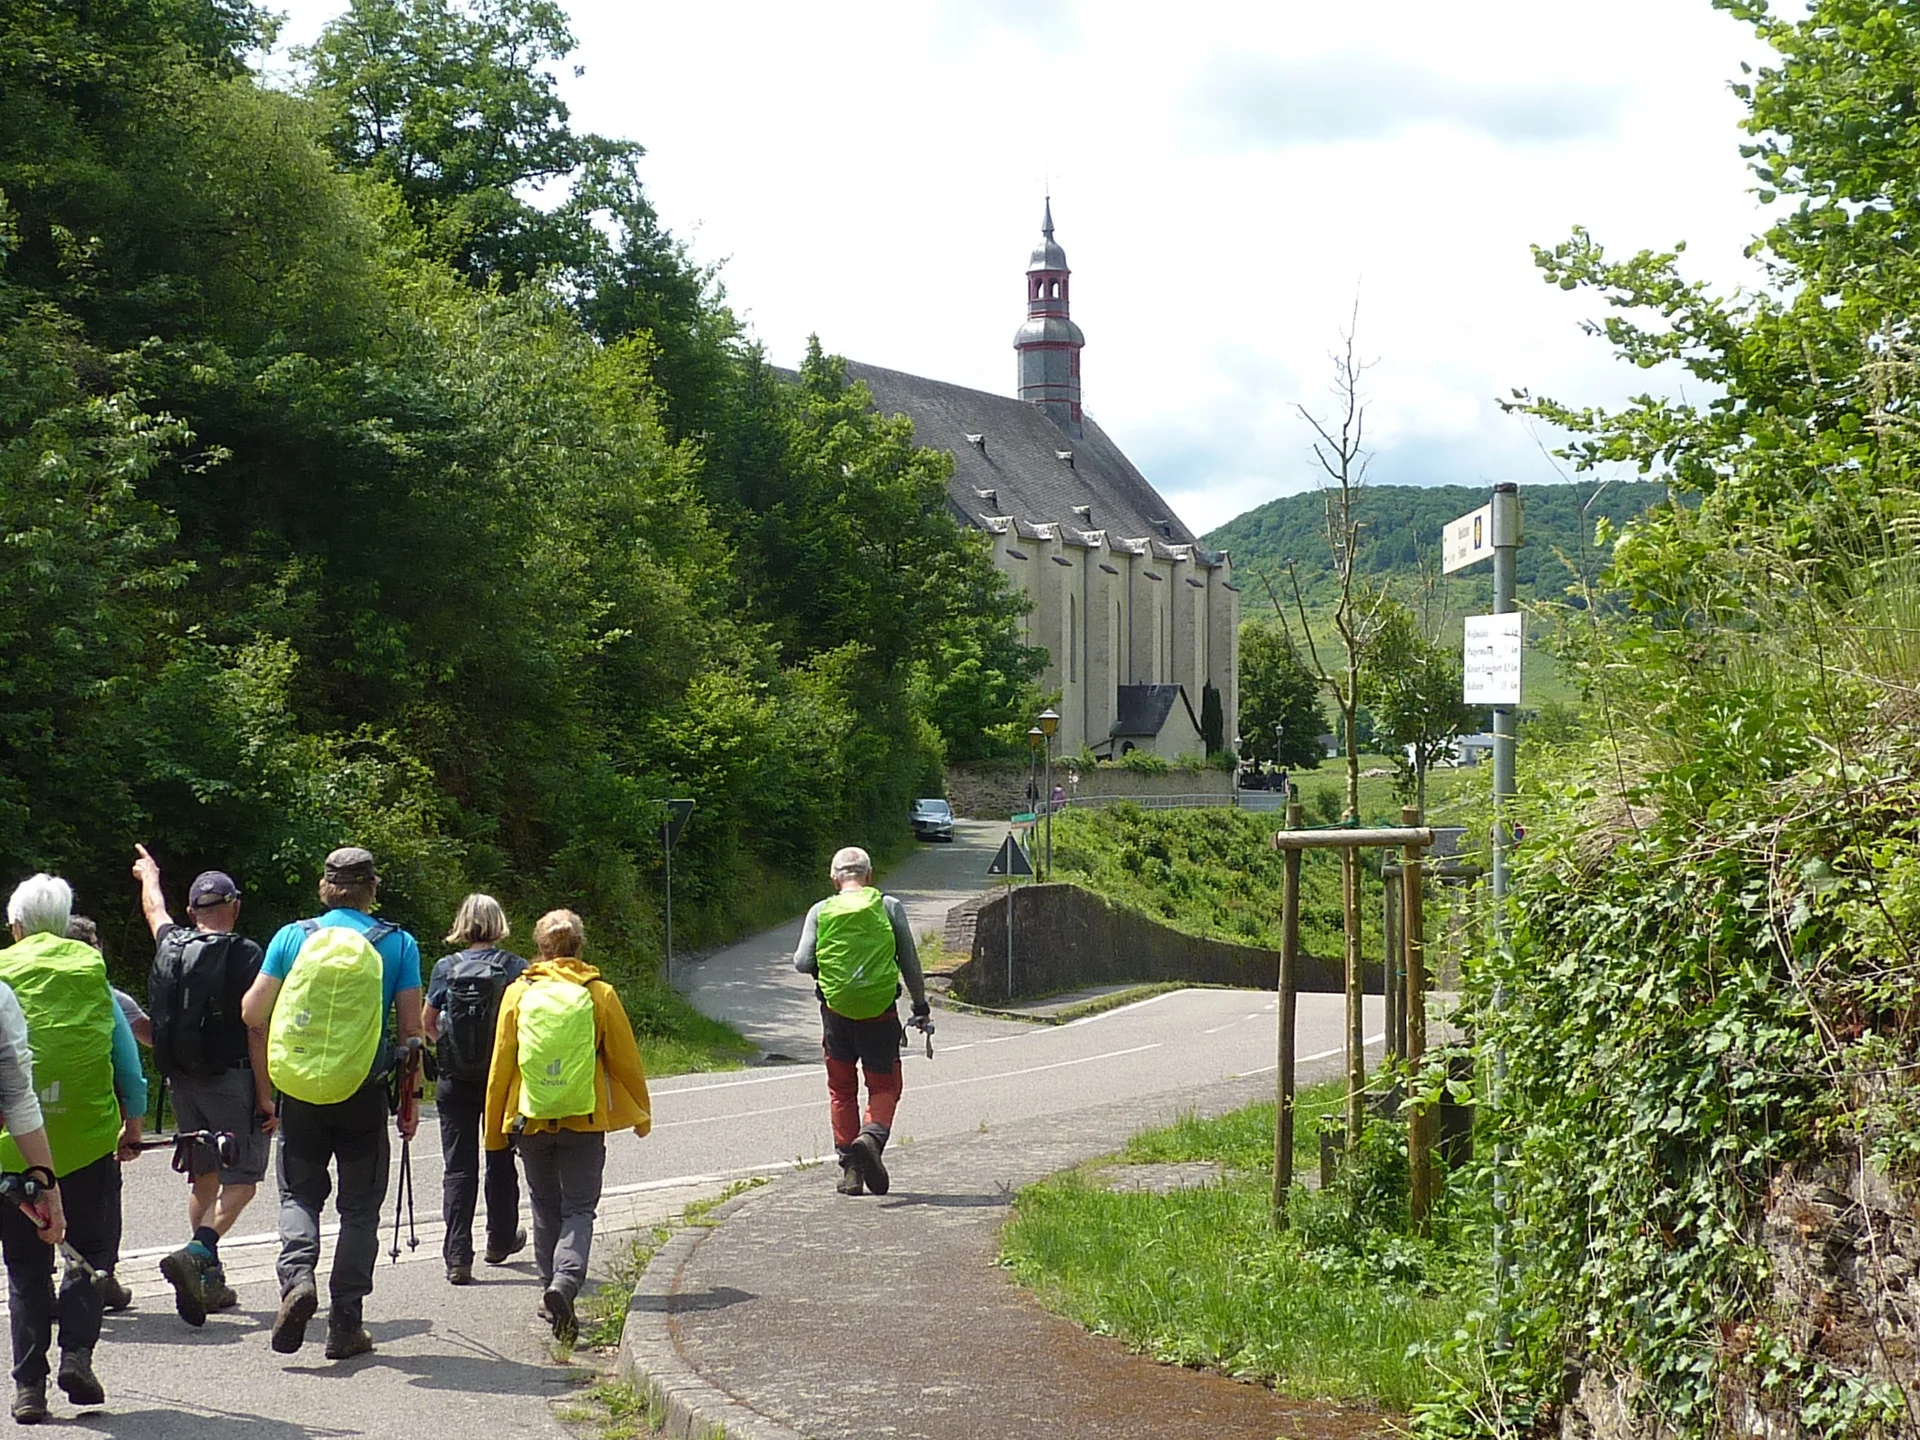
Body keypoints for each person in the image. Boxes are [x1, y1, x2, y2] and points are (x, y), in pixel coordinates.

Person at [242, 847, 422, 1361]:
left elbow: (252, 1012)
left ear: (325, 888)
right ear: (373, 888)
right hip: (364, 1092)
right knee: (360, 1208)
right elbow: (411, 1033)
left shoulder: (292, 937)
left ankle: (297, 1277)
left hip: (299, 1092)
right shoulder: (398, 943)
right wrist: (409, 1103)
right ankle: (345, 1323)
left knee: (299, 1195)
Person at [0, 876, 146, 1421]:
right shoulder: (91, 972)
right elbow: (125, 1058)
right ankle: (77, 1355)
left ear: (15, 926)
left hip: (13, 1145)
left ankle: (28, 1389)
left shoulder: (1, 972)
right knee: (90, 1250)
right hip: (86, 1140)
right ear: (65, 925)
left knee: (24, 1265)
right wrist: (131, 1123)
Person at [483, 910, 649, 1345]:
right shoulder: (600, 994)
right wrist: (640, 1113)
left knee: (543, 1203)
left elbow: (501, 1064)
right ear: (580, 946)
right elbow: (625, 1060)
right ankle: (566, 1282)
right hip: (584, 1116)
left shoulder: (518, 993)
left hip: (530, 1117)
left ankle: (547, 1290)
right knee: (579, 1207)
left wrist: (495, 1129)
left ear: (540, 948)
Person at [130, 847, 273, 1326]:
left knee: (203, 1175)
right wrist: (267, 1095)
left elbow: (154, 909)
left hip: (181, 1082)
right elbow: (256, 1028)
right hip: (232, 1079)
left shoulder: (171, 943)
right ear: (234, 906)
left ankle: (207, 1280)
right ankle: (198, 1253)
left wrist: (149, 874)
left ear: (192, 912)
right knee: (245, 1180)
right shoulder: (248, 953)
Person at [791, 847, 929, 1198]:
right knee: (884, 1087)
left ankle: (851, 1170)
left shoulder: (821, 911)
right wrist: (921, 1004)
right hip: (880, 1014)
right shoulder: (888, 907)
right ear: (869, 876)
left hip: (836, 1016)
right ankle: (870, 1138)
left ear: (835, 878)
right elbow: (910, 962)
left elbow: (802, 961)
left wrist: (831, 972)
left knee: (842, 1089)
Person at [422, 894, 526, 1285]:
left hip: (454, 1081)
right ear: (498, 924)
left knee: (458, 1167)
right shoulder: (515, 967)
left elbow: (427, 1021)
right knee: (500, 1158)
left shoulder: (446, 968)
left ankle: (457, 1256)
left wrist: (445, 1047)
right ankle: (499, 1241)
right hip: (498, 1080)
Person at [61, 919, 139, 1317]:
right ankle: (100, 1278)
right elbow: (133, 1063)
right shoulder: (108, 997)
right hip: (97, 1120)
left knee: (42, 1193)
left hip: (36, 1117)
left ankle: (46, 1286)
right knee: (101, 1200)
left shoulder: (21, 993)